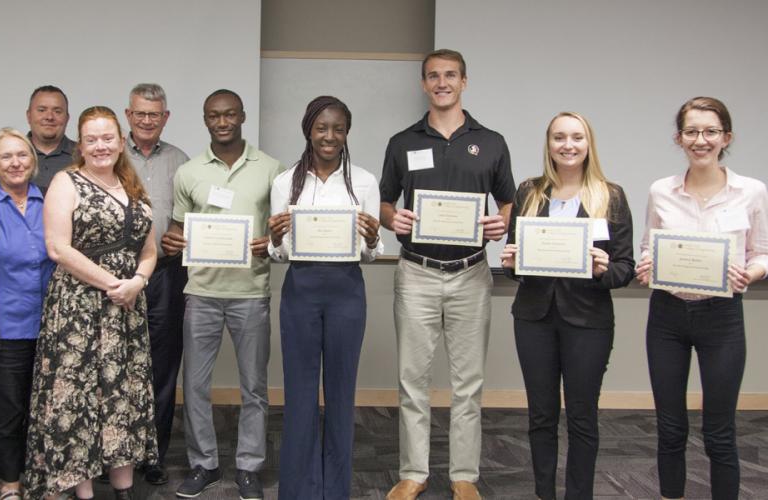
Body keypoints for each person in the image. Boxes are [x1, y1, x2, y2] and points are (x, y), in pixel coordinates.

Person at [378, 49, 516, 500]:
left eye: (450, 75)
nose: (442, 82)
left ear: (464, 81)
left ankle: (464, 475)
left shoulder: (491, 141)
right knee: (412, 380)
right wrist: (389, 218)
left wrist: (503, 223)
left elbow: (508, 202)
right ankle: (413, 473)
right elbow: (384, 201)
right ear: (423, 84)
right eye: (433, 76)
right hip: (416, 273)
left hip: (471, 274)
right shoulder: (402, 141)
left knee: (468, 383)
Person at [635, 97, 768, 500]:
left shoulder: (751, 191)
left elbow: (761, 252)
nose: (701, 140)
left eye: (710, 131)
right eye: (691, 131)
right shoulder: (662, 191)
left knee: (720, 430)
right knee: (670, 427)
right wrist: (646, 265)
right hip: (667, 317)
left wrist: (751, 272)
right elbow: (647, 246)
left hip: (722, 317)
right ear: (679, 138)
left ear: (726, 137)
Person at [23, 106, 158, 500]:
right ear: (80, 144)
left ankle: (123, 489)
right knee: (78, 398)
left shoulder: (133, 187)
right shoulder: (66, 182)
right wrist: (114, 284)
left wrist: (137, 281)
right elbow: (57, 248)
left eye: (107, 137)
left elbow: (148, 249)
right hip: (79, 310)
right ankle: (82, 492)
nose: (100, 146)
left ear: (120, 141)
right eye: (91, 139)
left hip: (126, 311)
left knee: (123, 396)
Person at [499, 112, 634, 499]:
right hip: (533, 319)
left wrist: (602, 269)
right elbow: (517, 262)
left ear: (588, 144)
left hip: (588, 322)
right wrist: (511, 265)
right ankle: (544, 493)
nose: (568, 145)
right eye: (559, 137)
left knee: (582, 417)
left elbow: (624, 268)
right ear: (549, 144)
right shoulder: (529, 192)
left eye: (577, 137)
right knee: (540, 416)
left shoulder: (611, 195)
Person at [162, 89, 284, 500]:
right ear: (205, 120)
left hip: (251, 292)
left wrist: (269, 242)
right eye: (214, 115)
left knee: (254, 387)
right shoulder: (190, 172)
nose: (223, 121)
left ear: (243, 116)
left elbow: (283, 234)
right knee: (195, 385)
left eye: (230, 114)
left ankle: (249, 466)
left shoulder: (271, 169)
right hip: (201, 293)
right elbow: (179, 229)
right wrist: (172, 242)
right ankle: (205, 465)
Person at [267, 96, 382, 499]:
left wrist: (372, 239)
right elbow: (279, 254)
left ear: (347, 132)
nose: (329, 136)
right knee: (298, 393)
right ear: (308, 131)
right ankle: (298, 490)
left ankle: (335, 490)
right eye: (321, 127)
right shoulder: (286, 181)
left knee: (341, 391)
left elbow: (370, 252)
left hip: (347, 292)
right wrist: (276, 238)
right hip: (300, 291)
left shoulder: (364, 181)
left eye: (337, 128)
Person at [0, 128, 54, 499]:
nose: (15, 162)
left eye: (22, 155)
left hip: (53, 327)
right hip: (6, 327)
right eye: (6, 156)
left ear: (33, 162)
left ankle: (47, 478)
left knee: (49, 411)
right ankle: (10, 483)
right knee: (8, 412)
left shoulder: (51, 200)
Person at [124, 83, 190, 485]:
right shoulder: (109, 154)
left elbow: (192, 216)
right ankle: (118, 453)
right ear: (128, 116)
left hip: (167, 274)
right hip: (117, 277)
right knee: (117, 367)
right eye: (140, 114)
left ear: (165, 118)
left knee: (162, 368)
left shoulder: (182, 161)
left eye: (155, 114)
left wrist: (181, 233)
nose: (147, 121)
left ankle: (154, 455)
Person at [0, 85, 75, 193]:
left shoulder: (83, 156)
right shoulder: (6, 156)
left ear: (67, 118)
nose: (49, 117)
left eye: (57, 111)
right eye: (41, 110)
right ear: (28, 116)